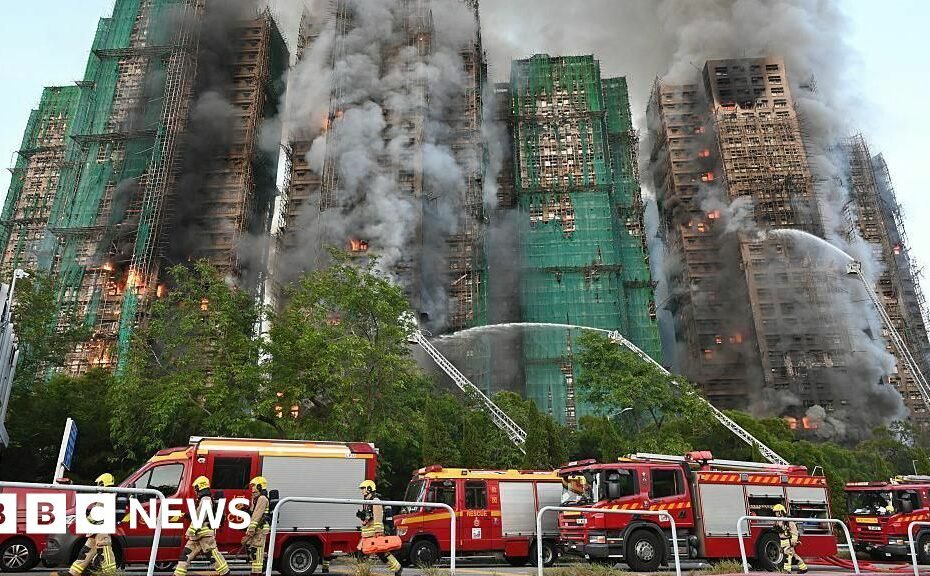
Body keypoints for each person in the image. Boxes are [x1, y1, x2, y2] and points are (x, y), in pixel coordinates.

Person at [59, 474, 118, 576]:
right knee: (85, 553)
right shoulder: (105, 495)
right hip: (95, 530)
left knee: (105, 551)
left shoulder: (108, 495)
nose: (97, 487)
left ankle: (110, 573)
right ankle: (73, 573)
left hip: (101, 531)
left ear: (102, 483)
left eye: (99, 484)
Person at [174, 476, 229, 576]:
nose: (195, 490)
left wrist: (190, 531)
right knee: (185, 555)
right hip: (197, 535)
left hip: (204, 535)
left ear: (200, 487)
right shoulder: (203, 499)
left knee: (214, 556)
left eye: (196, 487)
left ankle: (225, 573)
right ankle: (178, 574)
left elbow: (200, 517)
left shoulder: (206, 499)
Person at [357, 480, 402, 576]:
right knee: (363, 553)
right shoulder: (367, 501)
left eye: (363, 489)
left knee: (381, 553)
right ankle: (361, 572)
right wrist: (363, 517)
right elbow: (369, 518)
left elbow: (378, 516)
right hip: (367, 533)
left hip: (373, 533)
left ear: (369, 489)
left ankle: (397, 568)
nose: (362, 491)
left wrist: (378, 531)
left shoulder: (375, 501)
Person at [242, 476, 271, 576]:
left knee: (257, 549)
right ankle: (260, 567)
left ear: (259, 486)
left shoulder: (262, 498)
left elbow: (257, 515)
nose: (252, 488)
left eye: (254, 486)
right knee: (251, 548)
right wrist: (244, 510)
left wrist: (251, 528)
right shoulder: (256, 498)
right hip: (257, 528)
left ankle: (257, 572)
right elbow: (252, 512)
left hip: (260, 528)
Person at [773, 504, 807, 574]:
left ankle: (787, 570)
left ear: (781, 512)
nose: (775, 513)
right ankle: (803, 568)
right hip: (783, 541)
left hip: (788, 540)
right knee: (794, 555)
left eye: (777, 511)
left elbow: (794, 532)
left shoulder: (788, 521)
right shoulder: (777, 521)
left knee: (787, 555)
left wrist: (793, 541)